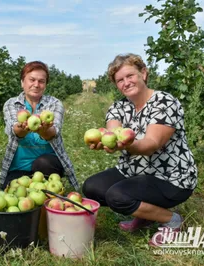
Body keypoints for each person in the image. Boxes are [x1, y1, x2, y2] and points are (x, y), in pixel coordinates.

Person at [82, 54, 197, 247]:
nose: (126, 83)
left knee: (117, 196)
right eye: (120, 80)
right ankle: (145, 216)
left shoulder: (165, 102)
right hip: (135, 172)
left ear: (143, 73)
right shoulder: (119, 106)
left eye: (130, 76)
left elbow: (151, 143)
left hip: (171, 178)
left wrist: (126, 145)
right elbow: (113, 131)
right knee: (92, 187)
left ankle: (172, 219)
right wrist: (106, 142)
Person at [0, 61, 79, 191]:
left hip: (47, 164)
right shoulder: (11, 104)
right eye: (32, 80)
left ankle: (51, 194)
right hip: (19, 166)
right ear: (22, 82)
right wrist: (23, 127)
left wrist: (44, 130)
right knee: (12, 193)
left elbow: (54, 132)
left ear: (45, 85)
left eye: (41, 81)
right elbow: (14, 130)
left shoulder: (54, 104)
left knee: (43, 164)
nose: (36, 85)